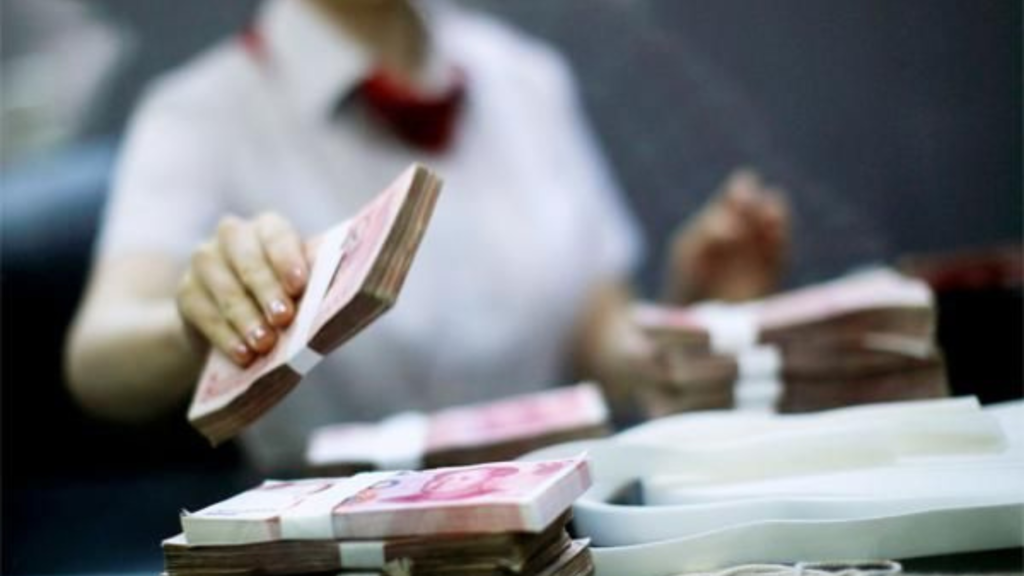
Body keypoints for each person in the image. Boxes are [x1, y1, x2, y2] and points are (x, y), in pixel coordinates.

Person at [65, 0, 789, 470]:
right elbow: (99, 360)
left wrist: (686, 328)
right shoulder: (198, 113)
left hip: (560, 524)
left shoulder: (525, 75)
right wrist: (195, 324)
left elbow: (597, 333)